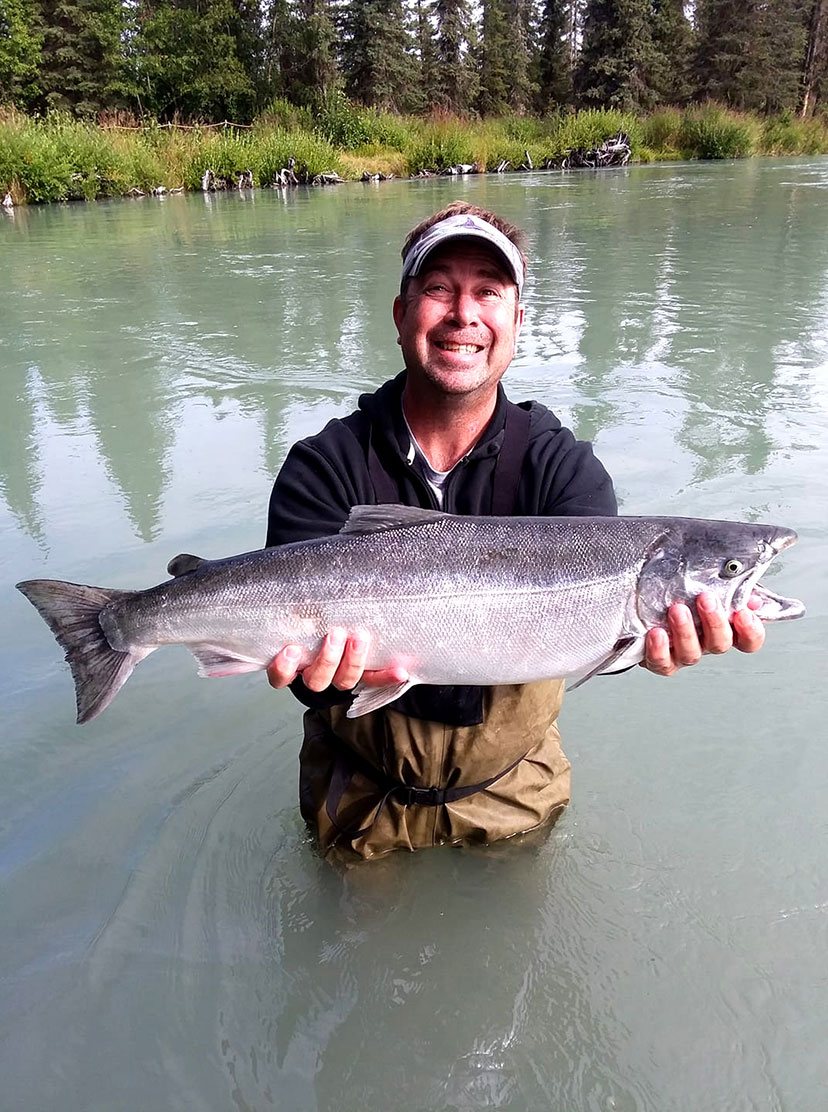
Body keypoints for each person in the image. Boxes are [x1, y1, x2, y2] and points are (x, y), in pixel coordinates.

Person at [264, 202, 765, 860]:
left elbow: (587, 634)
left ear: (517, 322)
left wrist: (651, 644)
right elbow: (292, 665)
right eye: (439, 288)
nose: (463, 314)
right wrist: (319, 676)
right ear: (400, 313)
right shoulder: (322, 467)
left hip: (514, 788)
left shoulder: (566, 472)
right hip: (355, 792)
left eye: (488, 292)